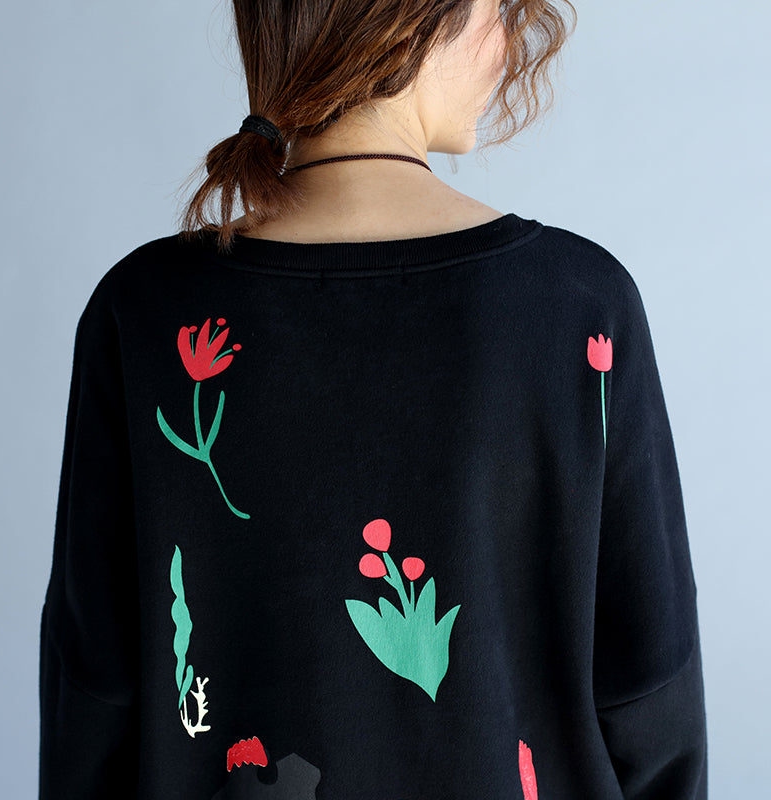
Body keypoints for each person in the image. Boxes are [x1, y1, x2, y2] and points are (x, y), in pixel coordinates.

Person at [38, 0, 708, 798]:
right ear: (422, 15)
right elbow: (650, 691)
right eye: (498, 8)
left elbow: (94, 699)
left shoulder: (142, 312)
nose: (509, 39)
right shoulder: (580, 307)